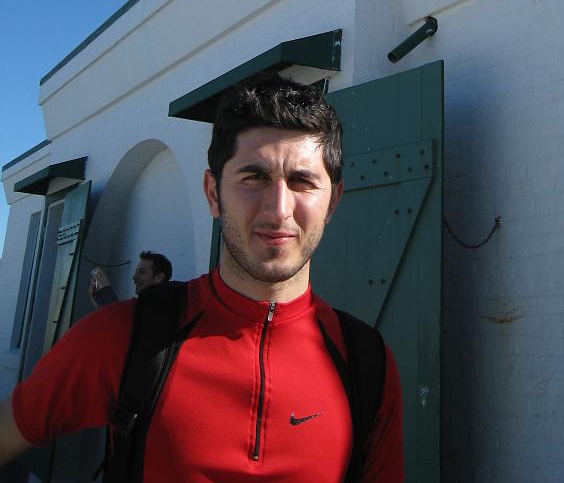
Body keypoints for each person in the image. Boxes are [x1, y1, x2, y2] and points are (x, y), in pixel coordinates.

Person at [0, 73, 403, 481]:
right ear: (213, 194)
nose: (278, 209)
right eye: (254, 177)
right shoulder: (121, 337)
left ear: (332, 202)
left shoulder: (367, 364)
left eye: (302, 181)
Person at [88, 251, 173, 308]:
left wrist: (105, 293)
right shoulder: (143, 306)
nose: (134, 277)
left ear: (159, 277)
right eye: (136, 272)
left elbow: (120, 321)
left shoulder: (163, 307)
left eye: (142, 272)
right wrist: (100, 304)